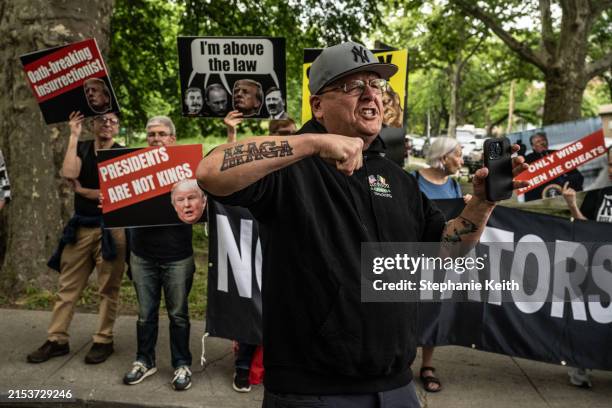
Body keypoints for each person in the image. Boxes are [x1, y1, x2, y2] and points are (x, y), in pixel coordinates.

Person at [196, 41, 527, 407]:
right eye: (353, 86)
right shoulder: (290, 165)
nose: (372, 95)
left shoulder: (397, 179)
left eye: (377, 85)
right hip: (311, 391)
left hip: (397, 387)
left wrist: (483, 202)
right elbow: (210, 172)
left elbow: (445, 250)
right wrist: (309, 144)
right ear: (318, 105)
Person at [27, 111, 126, 365]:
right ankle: (57, 339)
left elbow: (115, 193)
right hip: (81, 228)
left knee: (108, 288)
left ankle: (103, 340)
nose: (107, 124)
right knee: (68, 286)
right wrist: (73, 134)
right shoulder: (81, 147)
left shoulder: (122, 154)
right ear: (92, 124)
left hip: (111, 230)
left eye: (112, 121)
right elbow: (69, 173)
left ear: (117, 128)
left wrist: (84, 191)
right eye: (101, 120)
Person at [222, 110, 297, 393]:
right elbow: (229, 170)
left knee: (285, 311)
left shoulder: (303, 164)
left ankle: (280, 366)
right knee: (252, 304)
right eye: (282, 134)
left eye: (292, 134)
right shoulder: (260, 162)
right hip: (252, 246)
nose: (287, 139)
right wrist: (232, 134)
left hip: (289, 249)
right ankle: (243, 366)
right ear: (271, 136)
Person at [122, 116, 197, 391]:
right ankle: (144, 361)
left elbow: (210, 190)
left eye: (161, 134)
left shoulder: (187, 168)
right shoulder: (131, 170)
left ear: (172, 139)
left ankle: (181, 364)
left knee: (178, 314)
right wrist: (111, 203)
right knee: (145, 314)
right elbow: (119, 200)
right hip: (142, 255)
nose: (156, 138)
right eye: (151, 134)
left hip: (177, 255)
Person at [411, 137, 472, 393]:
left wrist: (471, 207)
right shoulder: (413, 181)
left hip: (440, 260)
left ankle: (427, 365)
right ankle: (402, 360)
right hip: (413, 256)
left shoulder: (455, 186)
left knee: (433, 308)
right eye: (457, 154)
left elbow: (460, 222)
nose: (461, 160)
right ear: (442, 156)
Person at [561, 145, 612, 388]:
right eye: (610, 164)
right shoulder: (599, 192)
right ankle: (580, 370)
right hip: (598, 267)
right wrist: (572, 204)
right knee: (590, 321)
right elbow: (586, 226)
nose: (611, 170)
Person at [524, 131, 583, 200]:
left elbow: (577, 175)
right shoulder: (527, 160)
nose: (542, 143)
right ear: (533, 146)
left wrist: (566, 183)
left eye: (544, 140)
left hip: (563, 190)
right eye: (538, 141)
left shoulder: (558, 154)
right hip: (540, 194)